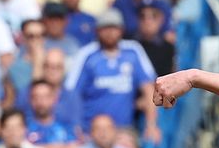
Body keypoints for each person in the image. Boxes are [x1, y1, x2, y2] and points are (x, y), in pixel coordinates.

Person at [64, 9, 158, 139]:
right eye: (105, 28)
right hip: (91, 130)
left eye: (114, 28)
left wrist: (151, 125)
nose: (110, 33)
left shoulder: (133, 51)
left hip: (123, 130)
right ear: (97, 31)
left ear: (121, 30)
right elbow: (72, 92)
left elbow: (149, 88)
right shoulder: (87, 55)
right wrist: (77, 126)